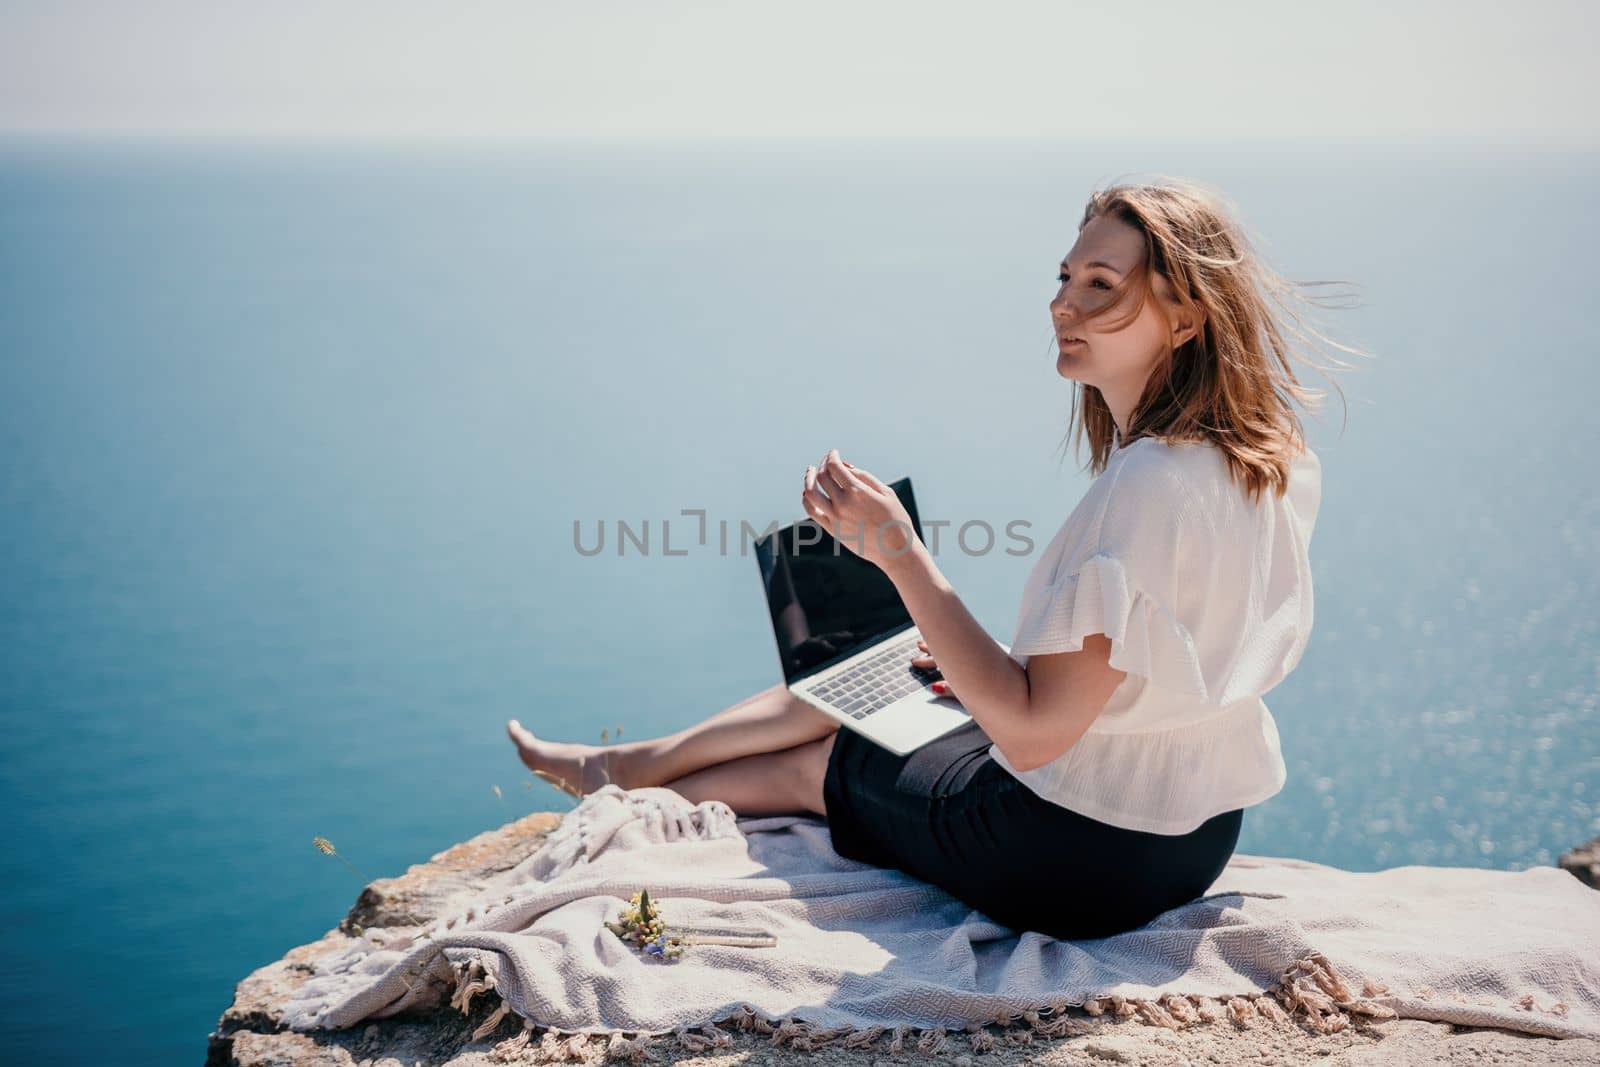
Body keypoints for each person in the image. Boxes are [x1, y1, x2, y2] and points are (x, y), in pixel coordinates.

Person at [507, 176, 1363, 940]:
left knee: (825, 755)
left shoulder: (1149, 483)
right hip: (1195, 832)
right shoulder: (1263, 457)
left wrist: (899, 555)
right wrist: (975, 660)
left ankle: (620, 782)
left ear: (1186, 316)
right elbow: (1132, 675)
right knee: (891, 675)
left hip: (1071, 857)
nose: (1065, 304)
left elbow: (1031, 736)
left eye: (1103, 285)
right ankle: (630, 763)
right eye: (1065, 278)